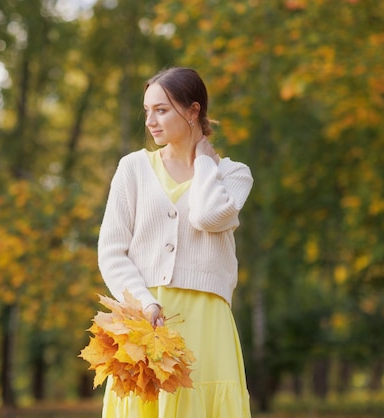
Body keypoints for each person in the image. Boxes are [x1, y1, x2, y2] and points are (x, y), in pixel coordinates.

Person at [97, 67, 253, 417]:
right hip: (147, 318)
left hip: (207, 323)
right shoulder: (133, 168)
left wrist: (205, 164)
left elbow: (207, 216)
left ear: (193, 110)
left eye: (162, 110)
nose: (150, 121)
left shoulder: (233, 174)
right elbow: (111, 252)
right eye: (147, 111)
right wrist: (144, 302)